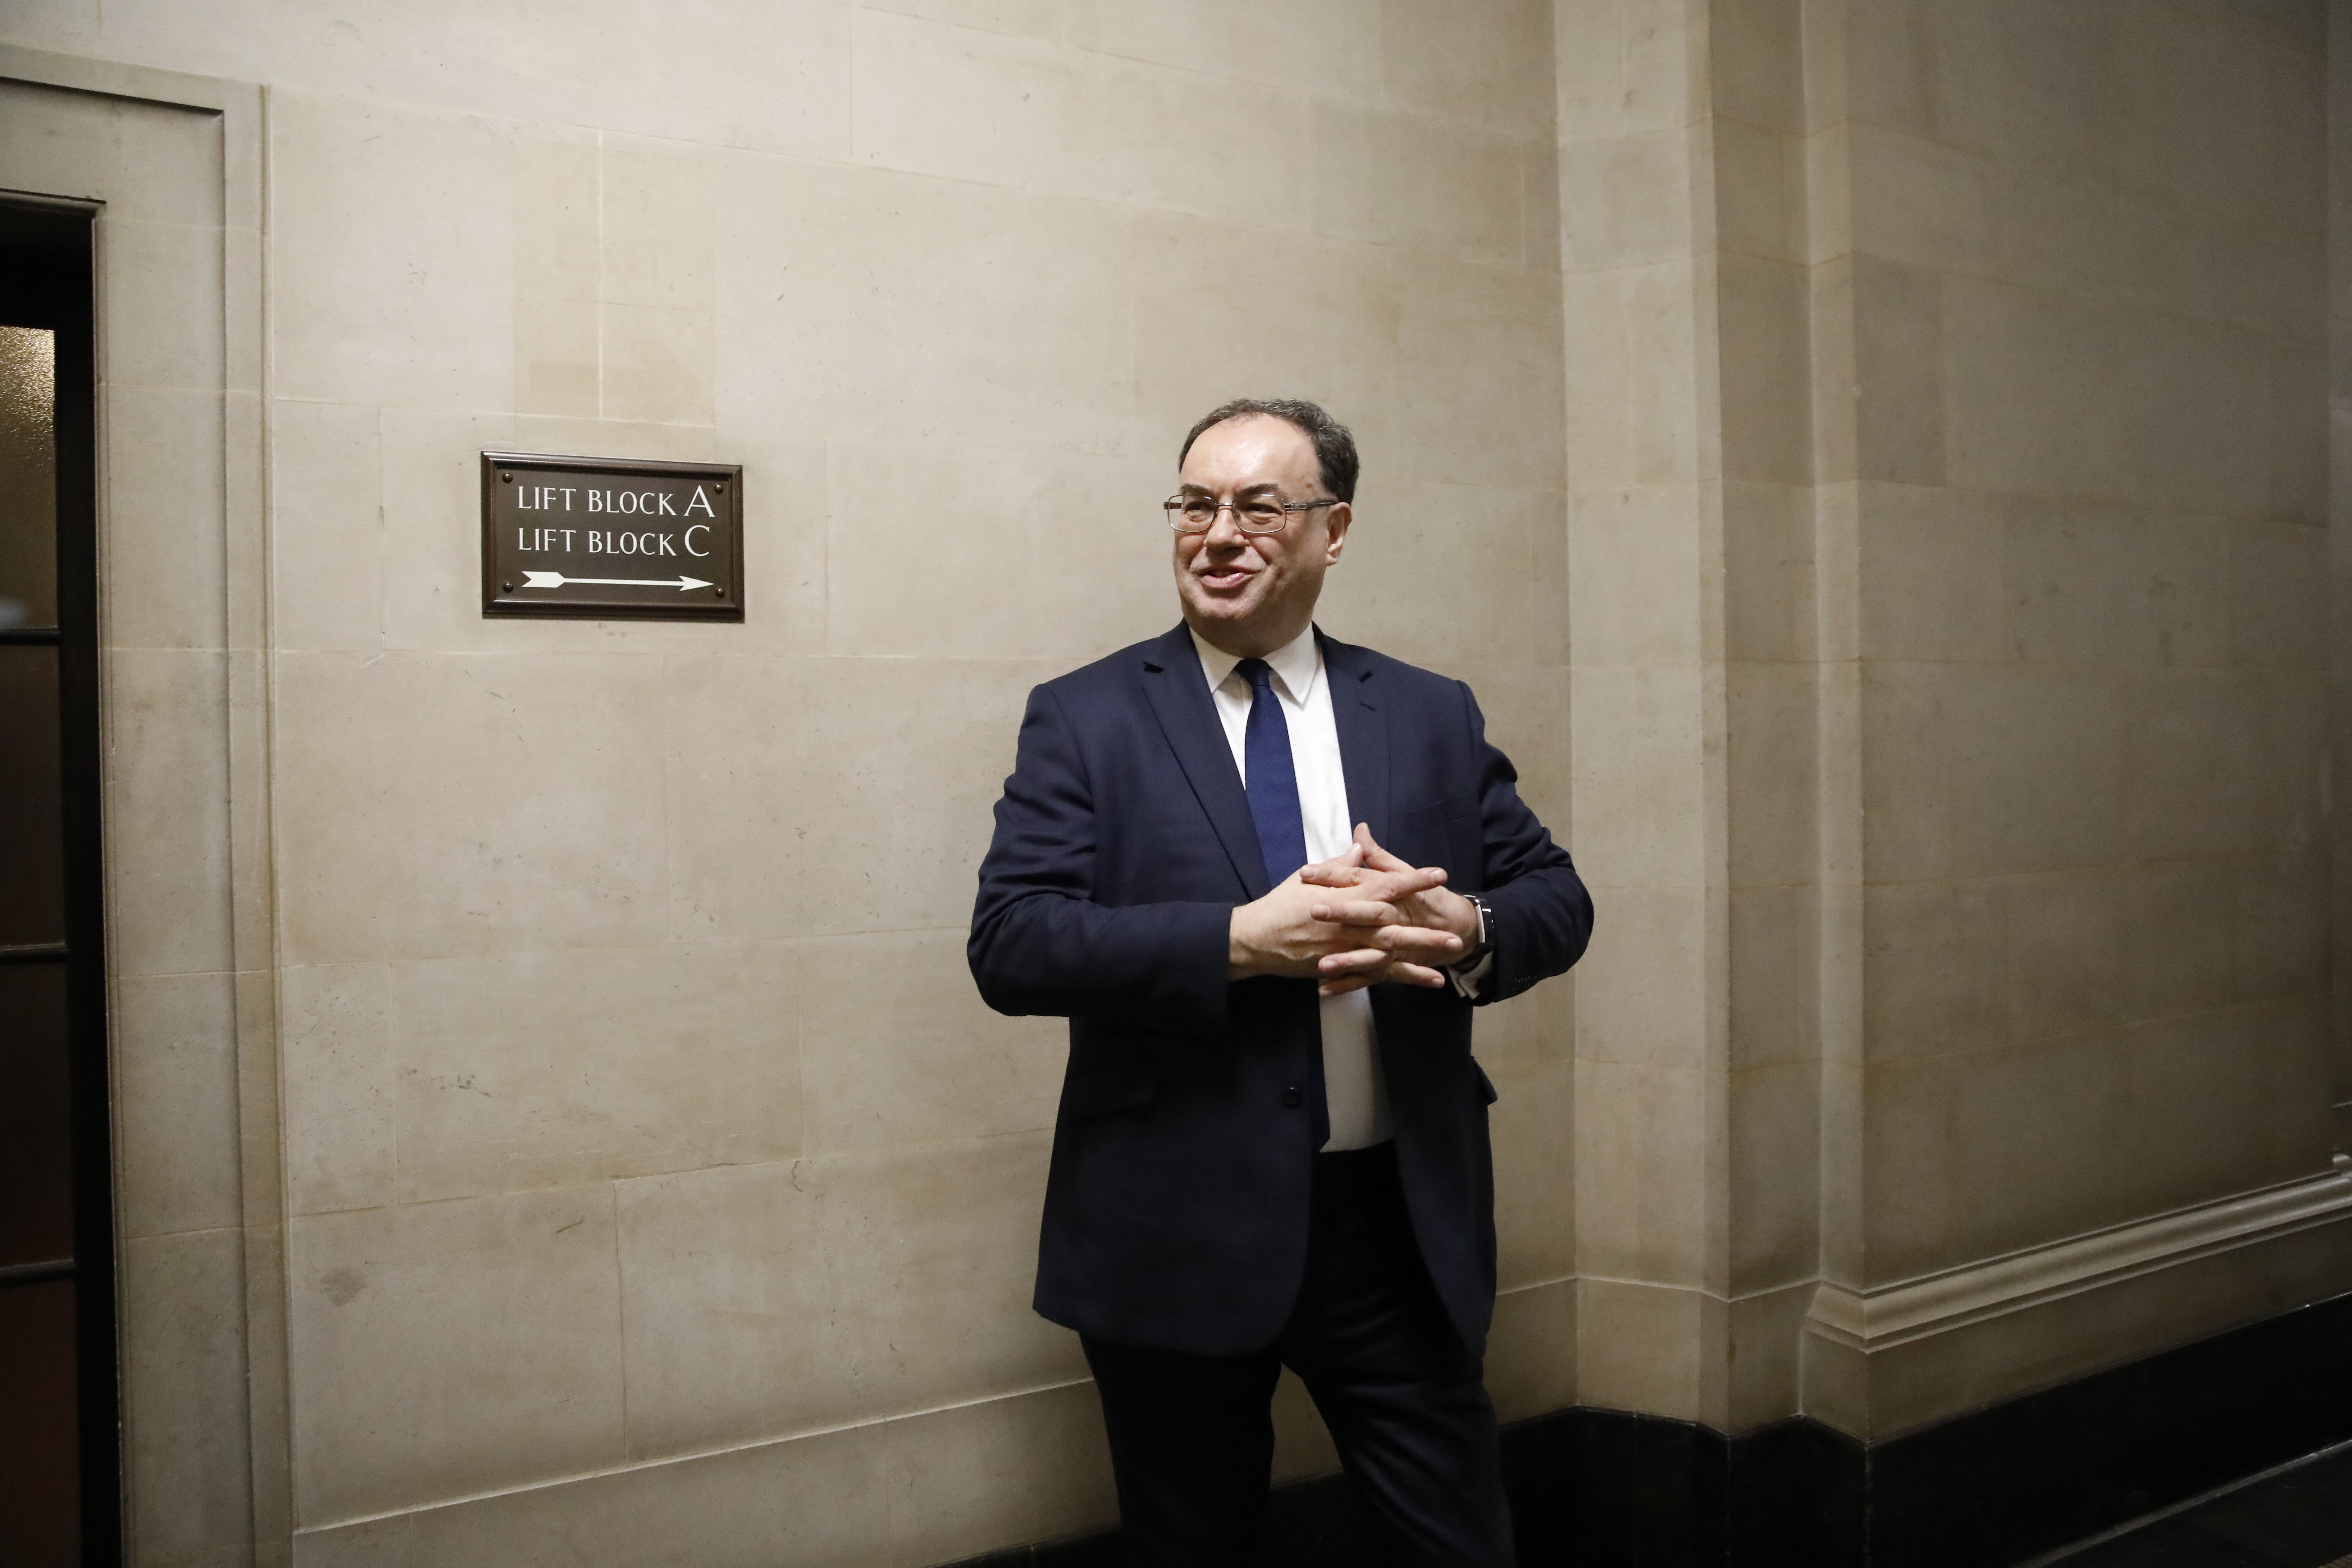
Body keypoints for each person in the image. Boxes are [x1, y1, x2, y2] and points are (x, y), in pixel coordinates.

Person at [968, 398, 1593, 1565]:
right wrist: (1240, 941)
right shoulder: (1087, 716)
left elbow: (1556, 900)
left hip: (1393, 1227)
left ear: (1334, 528)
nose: (1219, 533)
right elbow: (1012, 941)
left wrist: (1464, 928)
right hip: (1175, 1221)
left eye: (1259, 505)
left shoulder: (1425, 712)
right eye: (1195, 504)